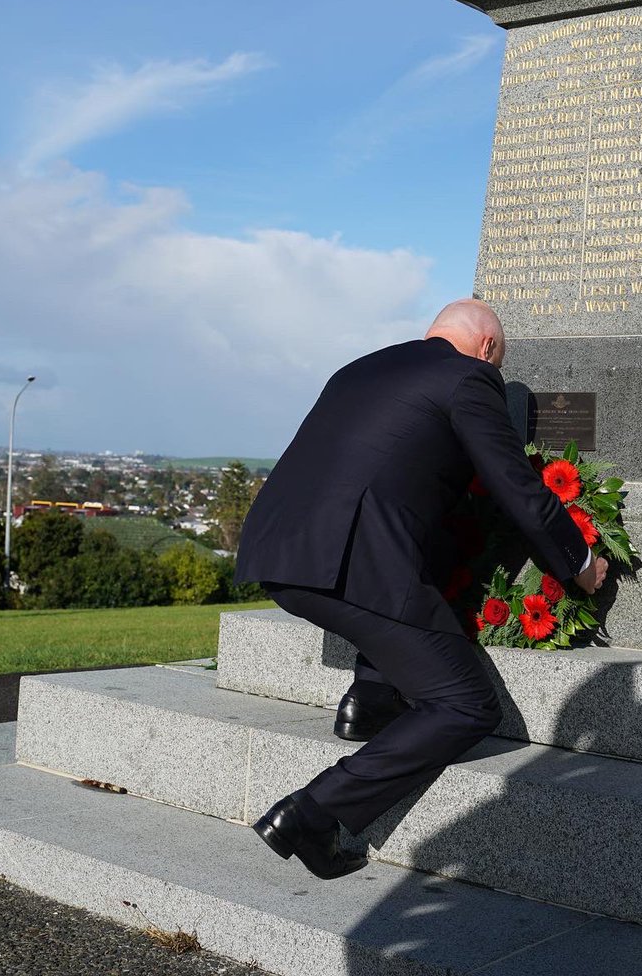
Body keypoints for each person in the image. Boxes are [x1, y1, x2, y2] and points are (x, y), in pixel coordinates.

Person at [234, 298, 608, 879]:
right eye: (498, 363)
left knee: (415, 579)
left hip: (281, 552)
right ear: (487, 349)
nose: (494, 373)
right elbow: (515, 486)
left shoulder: (361, 368)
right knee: (464, 704)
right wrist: (577, 562)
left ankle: (372, 699)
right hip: (353, 566)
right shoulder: (468, 379)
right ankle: (312, 814)